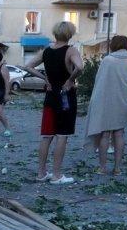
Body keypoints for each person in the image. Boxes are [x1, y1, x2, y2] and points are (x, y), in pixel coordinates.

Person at [21, 21, 83, 185]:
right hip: (66, 98)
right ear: (70, 34)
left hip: (50, 96)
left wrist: (45, 78)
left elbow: (27, 66)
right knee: (62, 136)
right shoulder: (71, 50)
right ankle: (56, 175)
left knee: (46, 136)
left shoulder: (46, 52)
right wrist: (70, 80)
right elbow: (80, 67)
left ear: (55, 33)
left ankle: (41, 173)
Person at [83, 35, 127, 176]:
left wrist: (95, 100)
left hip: (107, 100)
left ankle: (102, 167)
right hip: (123, 100)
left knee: (104, 134)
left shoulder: (108, 60)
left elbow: (100, 81)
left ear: (113, 45)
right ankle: (117, 168)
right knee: (119, 134)